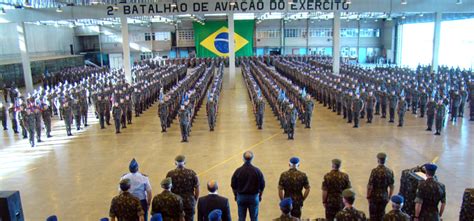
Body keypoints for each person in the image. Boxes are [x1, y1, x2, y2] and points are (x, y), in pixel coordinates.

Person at [231, 151, 265, 221]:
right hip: (254, 197)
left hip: (241, 197)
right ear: (252, 159)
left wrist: (235, 195)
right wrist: (260, 196)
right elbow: (262, 185)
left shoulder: (238, 171)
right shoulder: (257, 171)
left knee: (241, 218)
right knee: (254, 218)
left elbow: (233, 185)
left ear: (243, 159)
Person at [166, 155, 200, 221]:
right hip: (189, 202)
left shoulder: (170, 174)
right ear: (185, 162)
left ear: (175, 163)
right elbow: (197, 188)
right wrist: (195, 199)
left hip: (175, 202)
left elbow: (168, 189)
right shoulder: (192, 173)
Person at [367, 153, 395, 221]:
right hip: (384, 196)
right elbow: (392, 186)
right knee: (381, 214)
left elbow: (370, 186)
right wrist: (389, 197)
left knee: (373, 215)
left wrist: (368, 196)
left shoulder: (374, 171)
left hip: (374, 196)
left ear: (378, 160)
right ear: (386, 160)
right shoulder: (389, 171)